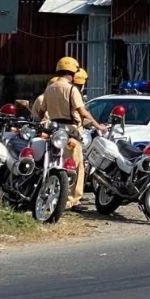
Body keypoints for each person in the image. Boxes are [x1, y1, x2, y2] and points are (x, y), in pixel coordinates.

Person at [41, 56, 106, 209]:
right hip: (70, 132)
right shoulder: (71, 89)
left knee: (54, 162)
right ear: (71, 72)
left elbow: (41, 110)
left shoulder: (50, 88)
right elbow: (82, 112)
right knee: (76, 166)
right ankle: (73, 200)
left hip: (54, 131)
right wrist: (98, 126)